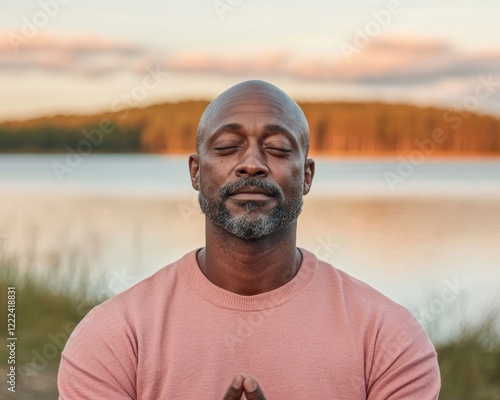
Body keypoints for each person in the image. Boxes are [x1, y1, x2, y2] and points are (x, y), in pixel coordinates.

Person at [58, 80, 440, 399]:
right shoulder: (113, 339)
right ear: (196, 172)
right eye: (227, 147)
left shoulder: (389, 340)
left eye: (277, 148)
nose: (252, 163)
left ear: (306, 176)